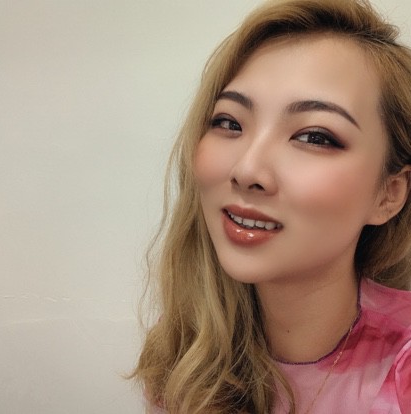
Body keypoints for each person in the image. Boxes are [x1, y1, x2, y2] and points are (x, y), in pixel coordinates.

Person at [133, 0, 411, 412]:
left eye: (314, 137)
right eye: (229, 122)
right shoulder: (186, 351)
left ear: (389, 193)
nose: (247, 170)